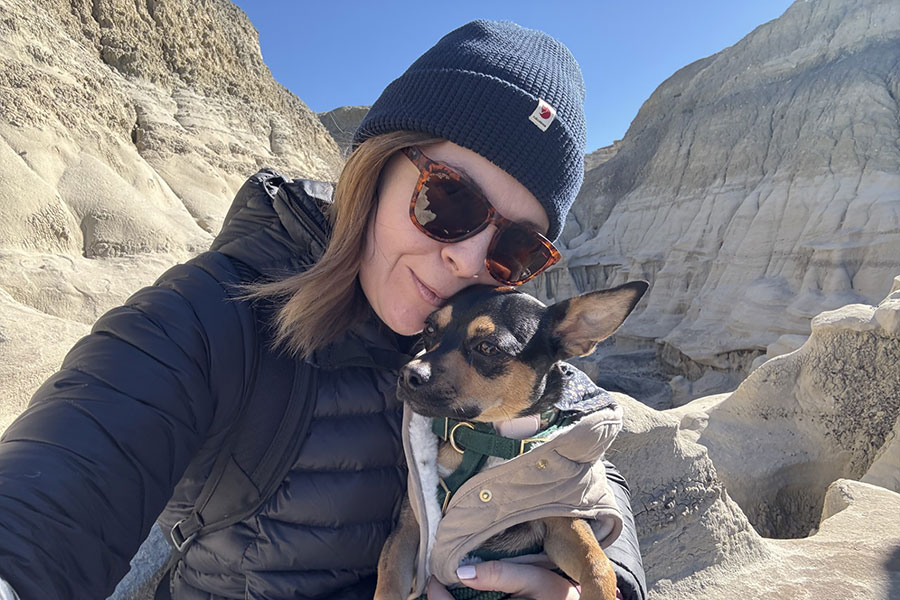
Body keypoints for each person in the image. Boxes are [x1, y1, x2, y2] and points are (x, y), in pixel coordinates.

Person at [0, 19, 646, 600]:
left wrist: (608, 573)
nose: (469, 261)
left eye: (515, 246)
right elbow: (56, 490)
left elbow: (577, 434)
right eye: (449, 202)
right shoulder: (204, 318)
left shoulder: (488, 329)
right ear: (374, 168)